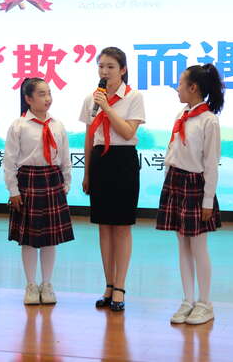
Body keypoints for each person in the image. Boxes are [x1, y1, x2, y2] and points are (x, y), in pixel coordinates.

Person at [156, 64, 224, 325]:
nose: (177, 88)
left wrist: (208, 200)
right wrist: (168, 179)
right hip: (176, 182)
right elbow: (173, 149)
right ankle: (187, 299)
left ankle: (205, 303)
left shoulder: (209, 121)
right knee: (182, 244)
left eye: (180, 83)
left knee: (198, 247)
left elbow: (211, 164)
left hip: (196, 185)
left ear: (193, 88)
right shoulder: (182, 114)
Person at [79, 47, 145, 312]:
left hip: (123, 161)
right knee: (104, 227)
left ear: (123, 70)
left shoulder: (134, 96)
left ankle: (120, 286)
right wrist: (86, 172)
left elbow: (128, 132)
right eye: (101, 66)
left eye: (110, 67)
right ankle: (108, 285)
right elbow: (89, 137)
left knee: (122, 227)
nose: (104, 72)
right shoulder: (91, 98)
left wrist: (106, 106)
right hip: (100, 162)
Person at [5, 77, 74, 305]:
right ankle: (31, 285)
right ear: (28, 98)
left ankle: (47, 283)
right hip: (28, 181)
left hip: (52, 179)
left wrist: (66, 182)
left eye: (49, 93)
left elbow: (65, 157)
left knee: (50, 238)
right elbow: (9, 161)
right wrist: (13, 190)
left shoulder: (57, 125)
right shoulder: (19, 125)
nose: (48, 98)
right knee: (29, 239)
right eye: (42, 94)